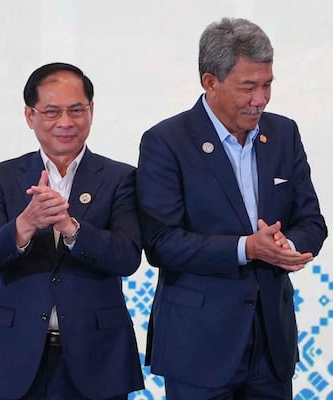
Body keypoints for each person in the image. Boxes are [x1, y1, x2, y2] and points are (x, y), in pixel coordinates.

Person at [137, 17, 327, 399]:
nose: (261, 99)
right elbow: (161, 242)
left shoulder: (284, 134)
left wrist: (284, 244)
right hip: (198, 346)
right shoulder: (166, 141)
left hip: (271, 343)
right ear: (210, 82)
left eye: (267, 85)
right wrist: (246, 248)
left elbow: (312, 221)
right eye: (248, 87)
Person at [0, 62, 144, 400]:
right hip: (16, 354)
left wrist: (71, 228)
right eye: (52, 112)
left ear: (91, 111)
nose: (65, 122)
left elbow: (127, 257)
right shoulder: (2, 177)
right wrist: (25, 224)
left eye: (76, 110)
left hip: (97, 355)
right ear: (29, 116)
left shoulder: (120, 177)